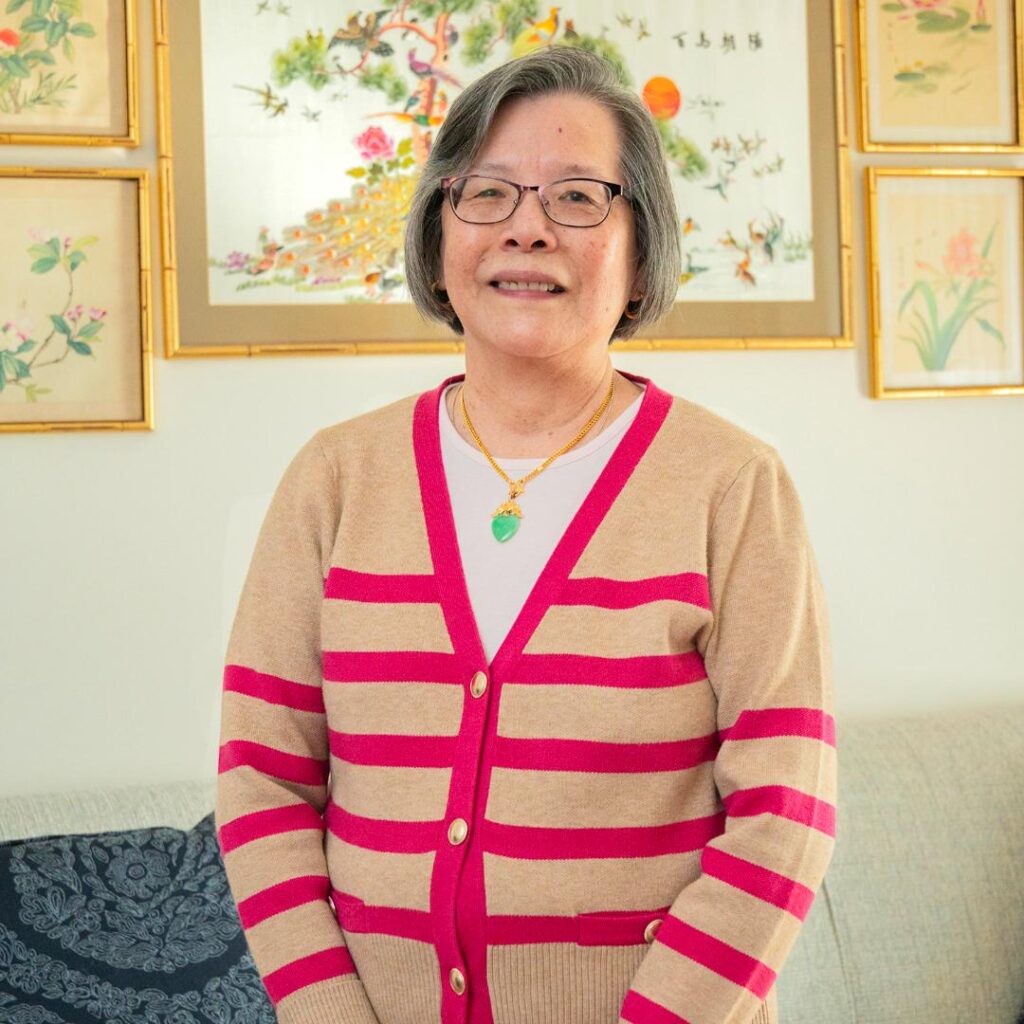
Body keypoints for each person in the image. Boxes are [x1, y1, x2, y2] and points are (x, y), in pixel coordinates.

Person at [215, 46, 836, 1024]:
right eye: (487, 193)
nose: (527, 229)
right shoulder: (333, 479)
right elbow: (263, 782)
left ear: (641, 251)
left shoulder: (731, 485)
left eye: (578, 198)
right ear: (438, 235)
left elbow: (784, 814)